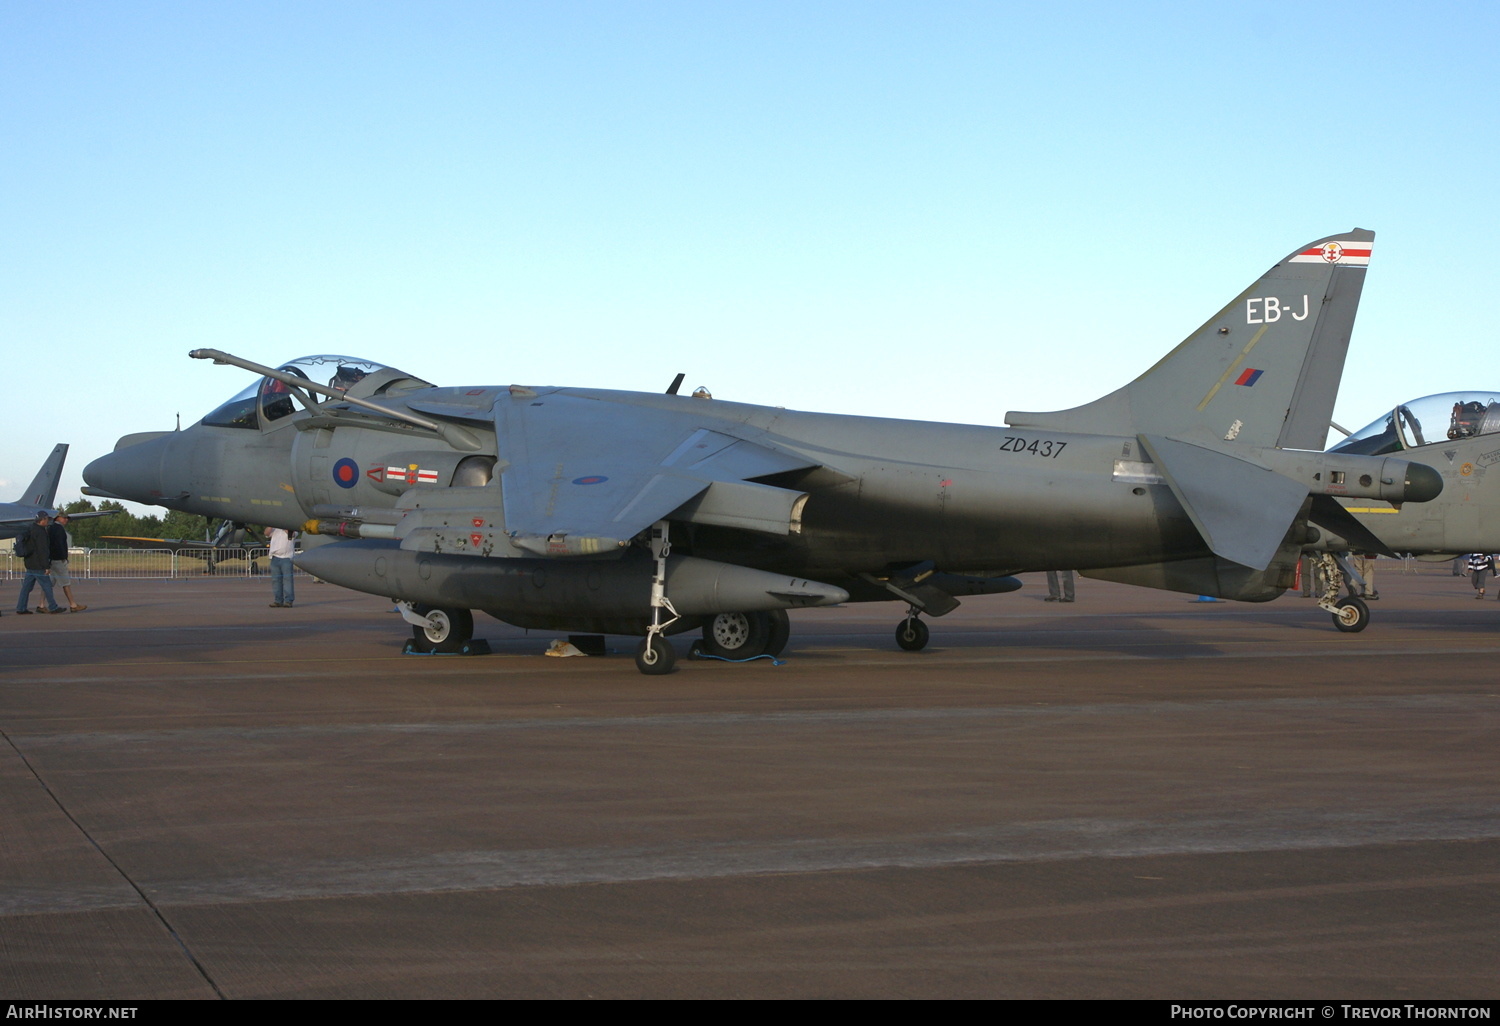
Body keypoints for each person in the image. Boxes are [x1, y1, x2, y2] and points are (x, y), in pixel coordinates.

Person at [15, 512, 64, 615]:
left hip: (29, 563)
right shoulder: (41, 532)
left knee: (26, 588)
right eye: (46, 519)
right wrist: (46, 566)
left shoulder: (30, 529)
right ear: (42, 520)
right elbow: (43, 550)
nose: (47, 521)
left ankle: (21, 607)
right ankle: (53, 607)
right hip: (39, 565)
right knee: (47, 586)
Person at [47, 512, 86, 612]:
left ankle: (41, 604)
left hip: (52, 559)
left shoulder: (50, 528)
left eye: (67, 518)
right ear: (57, 518)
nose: (66, 520)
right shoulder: (58, 529)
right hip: (58, 560)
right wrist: (63, 557)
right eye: (64, 518)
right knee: (65, 582)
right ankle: (73, 605)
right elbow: (60, 545)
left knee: (48, 584)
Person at [267, 526, 297, 607]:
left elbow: (292, 534)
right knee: (275, 580)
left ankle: (288, 600)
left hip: (287, 557)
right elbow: (266, 533)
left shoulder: (292, 529)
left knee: (287, 580)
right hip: (275, 557)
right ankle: (278, 600)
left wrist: (283, 525)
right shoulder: (275, 529)